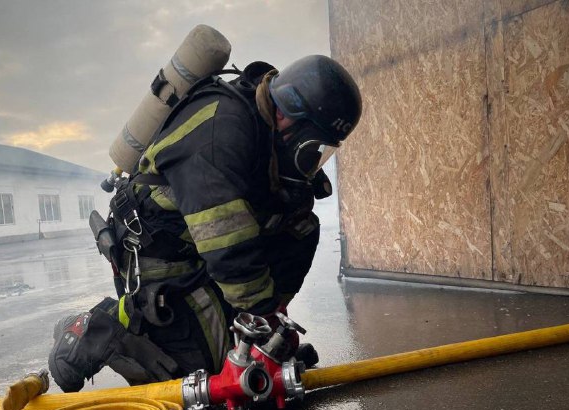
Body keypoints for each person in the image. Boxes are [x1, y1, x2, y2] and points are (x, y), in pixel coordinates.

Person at [49, 55, 362, 392]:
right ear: (286, 116)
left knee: (301, 228)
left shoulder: (264, 129)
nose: (313, 159)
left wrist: (265, 333)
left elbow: (282, 218)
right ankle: (102, 324)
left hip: (196, 244)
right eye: (312, 146)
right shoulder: (220, 131)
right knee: (201, 377)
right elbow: (225, 240)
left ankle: (253, 339)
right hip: (159, 251)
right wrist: (264, 316)